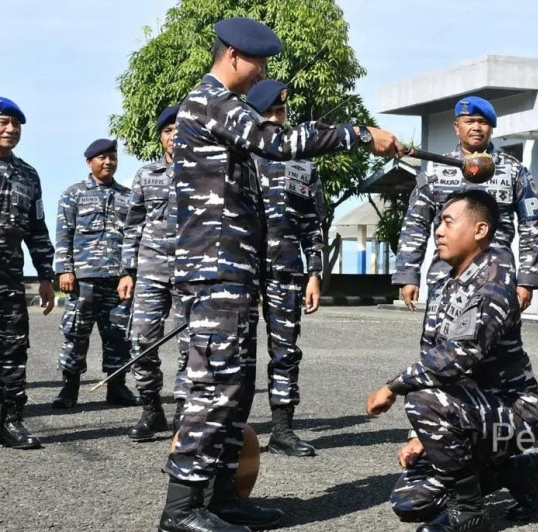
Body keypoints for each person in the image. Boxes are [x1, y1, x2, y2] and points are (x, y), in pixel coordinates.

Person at [159, 17, 401, 532]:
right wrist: (359, 134)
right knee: (214, 386)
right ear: (232, 57)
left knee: (238, 387)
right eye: (258, 62)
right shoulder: (209, 103)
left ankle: (220, 496)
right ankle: (181, 509)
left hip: (237, 272)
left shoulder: (227, 108)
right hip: (214, 272)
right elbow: (279, 142)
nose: (262, 72)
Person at [367, 190, 538, 532]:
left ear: (480, 230)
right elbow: (432, 359)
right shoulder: (448, 284)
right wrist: (422, 435)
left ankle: (469, 511)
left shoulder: (492, 282)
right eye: (438, 223)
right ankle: (517, 472)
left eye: (449, 222)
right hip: (468, 413)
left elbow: (455, 358)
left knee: (419, 397)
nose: (438, 231)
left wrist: (392, 387)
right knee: (411, 501)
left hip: (514, 414)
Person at [392, 96, 538, 313]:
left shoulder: (513, 170)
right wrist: (408, 274)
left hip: (497, 276)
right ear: (457, 127)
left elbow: (532, 225)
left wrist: (527, 279)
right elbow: (415, 224)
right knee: (440, 342)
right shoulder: (436, 170)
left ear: (491, 128)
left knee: (499, 343)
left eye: (483, 122)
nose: (476, 127)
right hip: (446, 276)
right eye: (470, 121)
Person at [246, 80, 323, 457]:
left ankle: (281, 430)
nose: (277, 119)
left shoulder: (303, 164)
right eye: (270, 114)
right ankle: (229, 430)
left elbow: (313, 223)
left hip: (288, 271)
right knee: (236, 352)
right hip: (243, 270)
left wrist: (315, 273)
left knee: (286, 351)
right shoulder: (240, 157)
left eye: (282, 113)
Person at [0, 96, 56, 449]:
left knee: (12, 353)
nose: (11, 129)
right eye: (3, 122)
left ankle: (11, 423)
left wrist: (47, 276)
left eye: (16, 124)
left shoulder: (28, 175)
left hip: (8, 281)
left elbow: (38, 230)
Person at [52, 138, 139, 409]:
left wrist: (129, 273)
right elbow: (63, 234)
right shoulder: (73, 194)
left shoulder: (128, 196)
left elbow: (133, 237)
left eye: (112, 157)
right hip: (83, 280)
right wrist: (64, 269)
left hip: (117, 280)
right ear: (89, 161)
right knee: (76, 334)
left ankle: (117, 386)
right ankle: (69, 388)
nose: (108, 161)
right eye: (102, 157)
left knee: (118, 335)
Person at [118, 105, 186, 441]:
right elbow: (133, 225)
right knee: (141, 339)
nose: (174, 136)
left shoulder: (204, 172)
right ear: (161, 137)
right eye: (168, 130)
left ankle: (183, 412)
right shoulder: (146, 175)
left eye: (180, 129)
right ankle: (150, 408)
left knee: (191, 345)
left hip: (191, 272)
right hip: (150, 270)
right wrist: (127, 271)